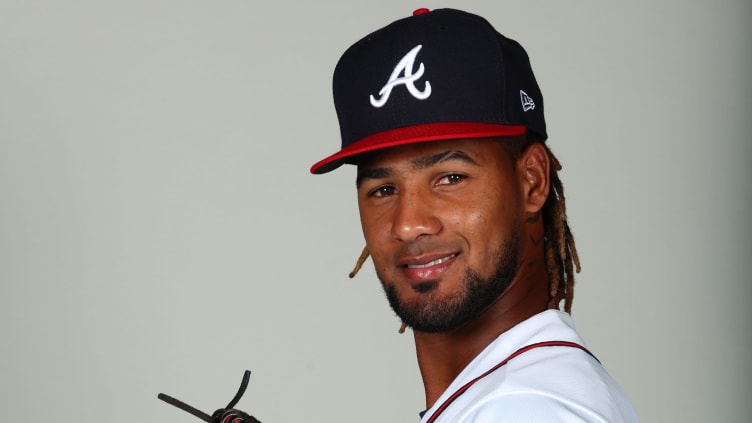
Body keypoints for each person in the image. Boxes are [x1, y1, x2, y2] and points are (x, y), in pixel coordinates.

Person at [310, 8, 639, 423]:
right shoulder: (523, 393)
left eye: (450, 177)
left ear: (532, 182)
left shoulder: (529, 408)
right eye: (384, 189)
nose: (408, 224)